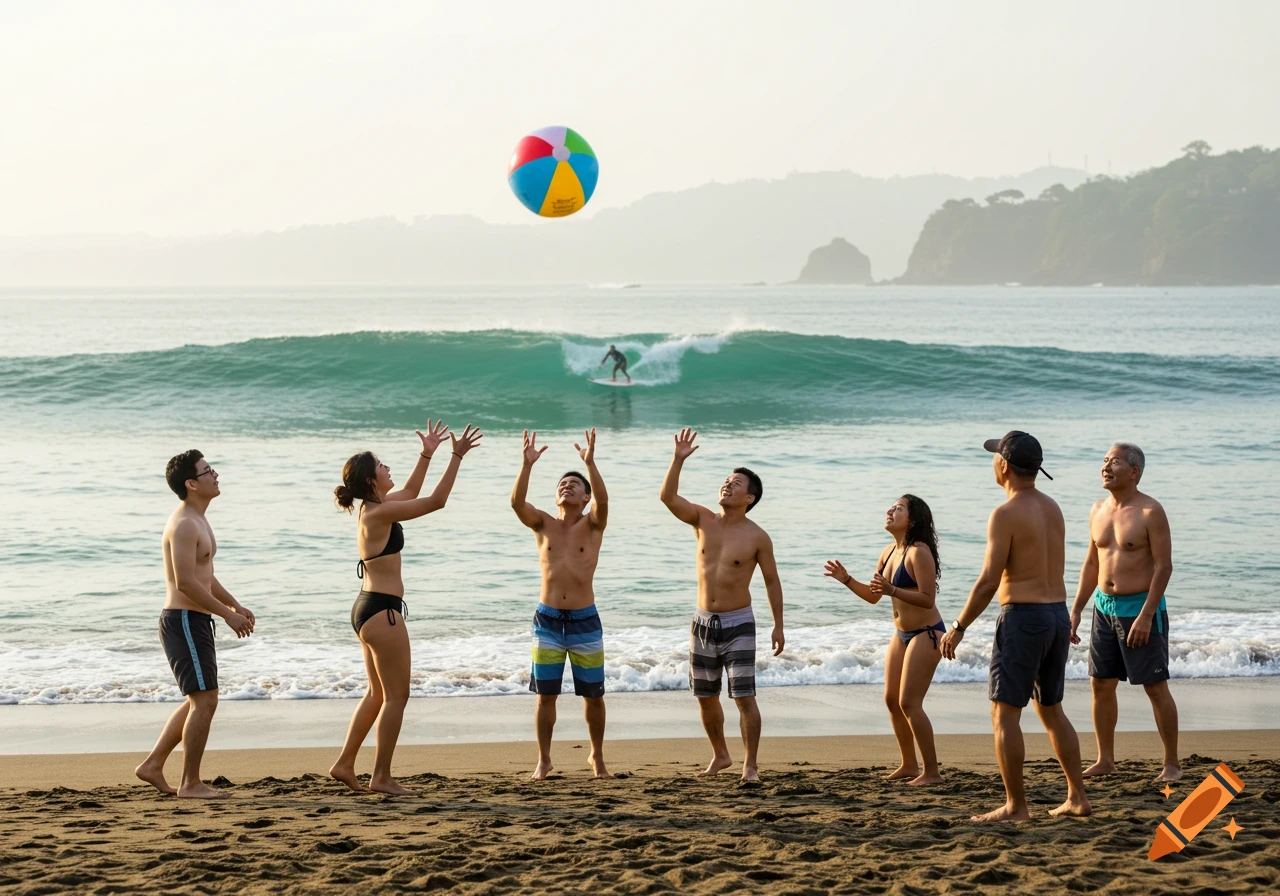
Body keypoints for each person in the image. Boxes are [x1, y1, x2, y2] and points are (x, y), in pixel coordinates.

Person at [940, 431, 1091, 821]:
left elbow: (990, 580)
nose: (993, 463)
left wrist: (958, 625)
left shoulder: (1004, 514)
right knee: (1051, 709)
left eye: (995, 457)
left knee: (1004, 714)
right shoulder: (1052, 506)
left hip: (1023, 619)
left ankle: (1016, 806)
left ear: (1004, 465)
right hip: (1056, 615)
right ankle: (1076, 796)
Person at [329, 420, 483, 795]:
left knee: (377, 695)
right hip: (382, 612)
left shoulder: (378, 506)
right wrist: (456, 456)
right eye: (381, 465)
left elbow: (414, 489)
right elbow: (435, 501)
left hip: (368, 609)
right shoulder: (378, 513)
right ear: (370, 480)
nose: (387, 468)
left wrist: (427, 452)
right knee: (397, 697)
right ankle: (380, 777)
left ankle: (345, 764)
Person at [660, 427, 784, 782]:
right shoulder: (702, 519)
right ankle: (721, 756)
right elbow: (668, 497)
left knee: (743, 696)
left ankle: (750, 765)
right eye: (726, 480)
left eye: (737, 483)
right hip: (702, 622)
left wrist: (778, 625)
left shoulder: (757, 536)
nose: (727, 485)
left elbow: (772, 582)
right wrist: (678, 459)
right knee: (705, 695)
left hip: (739, 622)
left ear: (750, 497)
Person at [135, 450, 256, 799]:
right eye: (207, 471)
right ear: (191, 483)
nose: (215, 475)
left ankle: (153, 765)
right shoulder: (185, 523)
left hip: (194, 619)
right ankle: (190, 783)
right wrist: (227, 615)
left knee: (198, 700)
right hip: (184, 620)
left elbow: (206, 576)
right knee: (205, 701)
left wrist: (235, 604)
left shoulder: (199, 519)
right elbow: (186, 582)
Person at [1070, 442, 1179, 782]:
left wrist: (1147, 615)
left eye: (1114, 461)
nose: (1105, 466)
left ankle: (1172, 764)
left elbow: (1164, 567)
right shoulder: (1097, 509)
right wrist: (1075, 610)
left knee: (1155, 686)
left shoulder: (1150, 511)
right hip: (1104, 609)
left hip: (1141, 610)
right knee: (1100, 685)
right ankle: (1105, 759)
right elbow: (1091, 563)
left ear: (1133, 472)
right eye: (1104, 460)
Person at [511, 428, 612, 780]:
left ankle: (596, 757)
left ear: (585, 499)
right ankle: (544, 759)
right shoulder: (543, 523)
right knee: (545, 696)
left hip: (585, 619)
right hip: (548, 620)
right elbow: (516, 504)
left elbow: (604, 500)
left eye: (575, 484)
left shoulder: (593, 524)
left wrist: (590, 462)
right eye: (562, 484)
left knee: (593, 696)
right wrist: (526, 466)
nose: (566, 486)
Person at [824, 495, 944, 785]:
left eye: (898, 509)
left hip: (927, 633)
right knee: (892, 700)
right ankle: (909, 765)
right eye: (891, 507)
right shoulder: (888, 552)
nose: (890, 511)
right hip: (902, 634)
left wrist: (894, 590)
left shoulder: (919, 552)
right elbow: (874, 596)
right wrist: (847, 579)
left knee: (909, 702)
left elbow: (928, 600)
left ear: (912, 520)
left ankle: (932, 773)